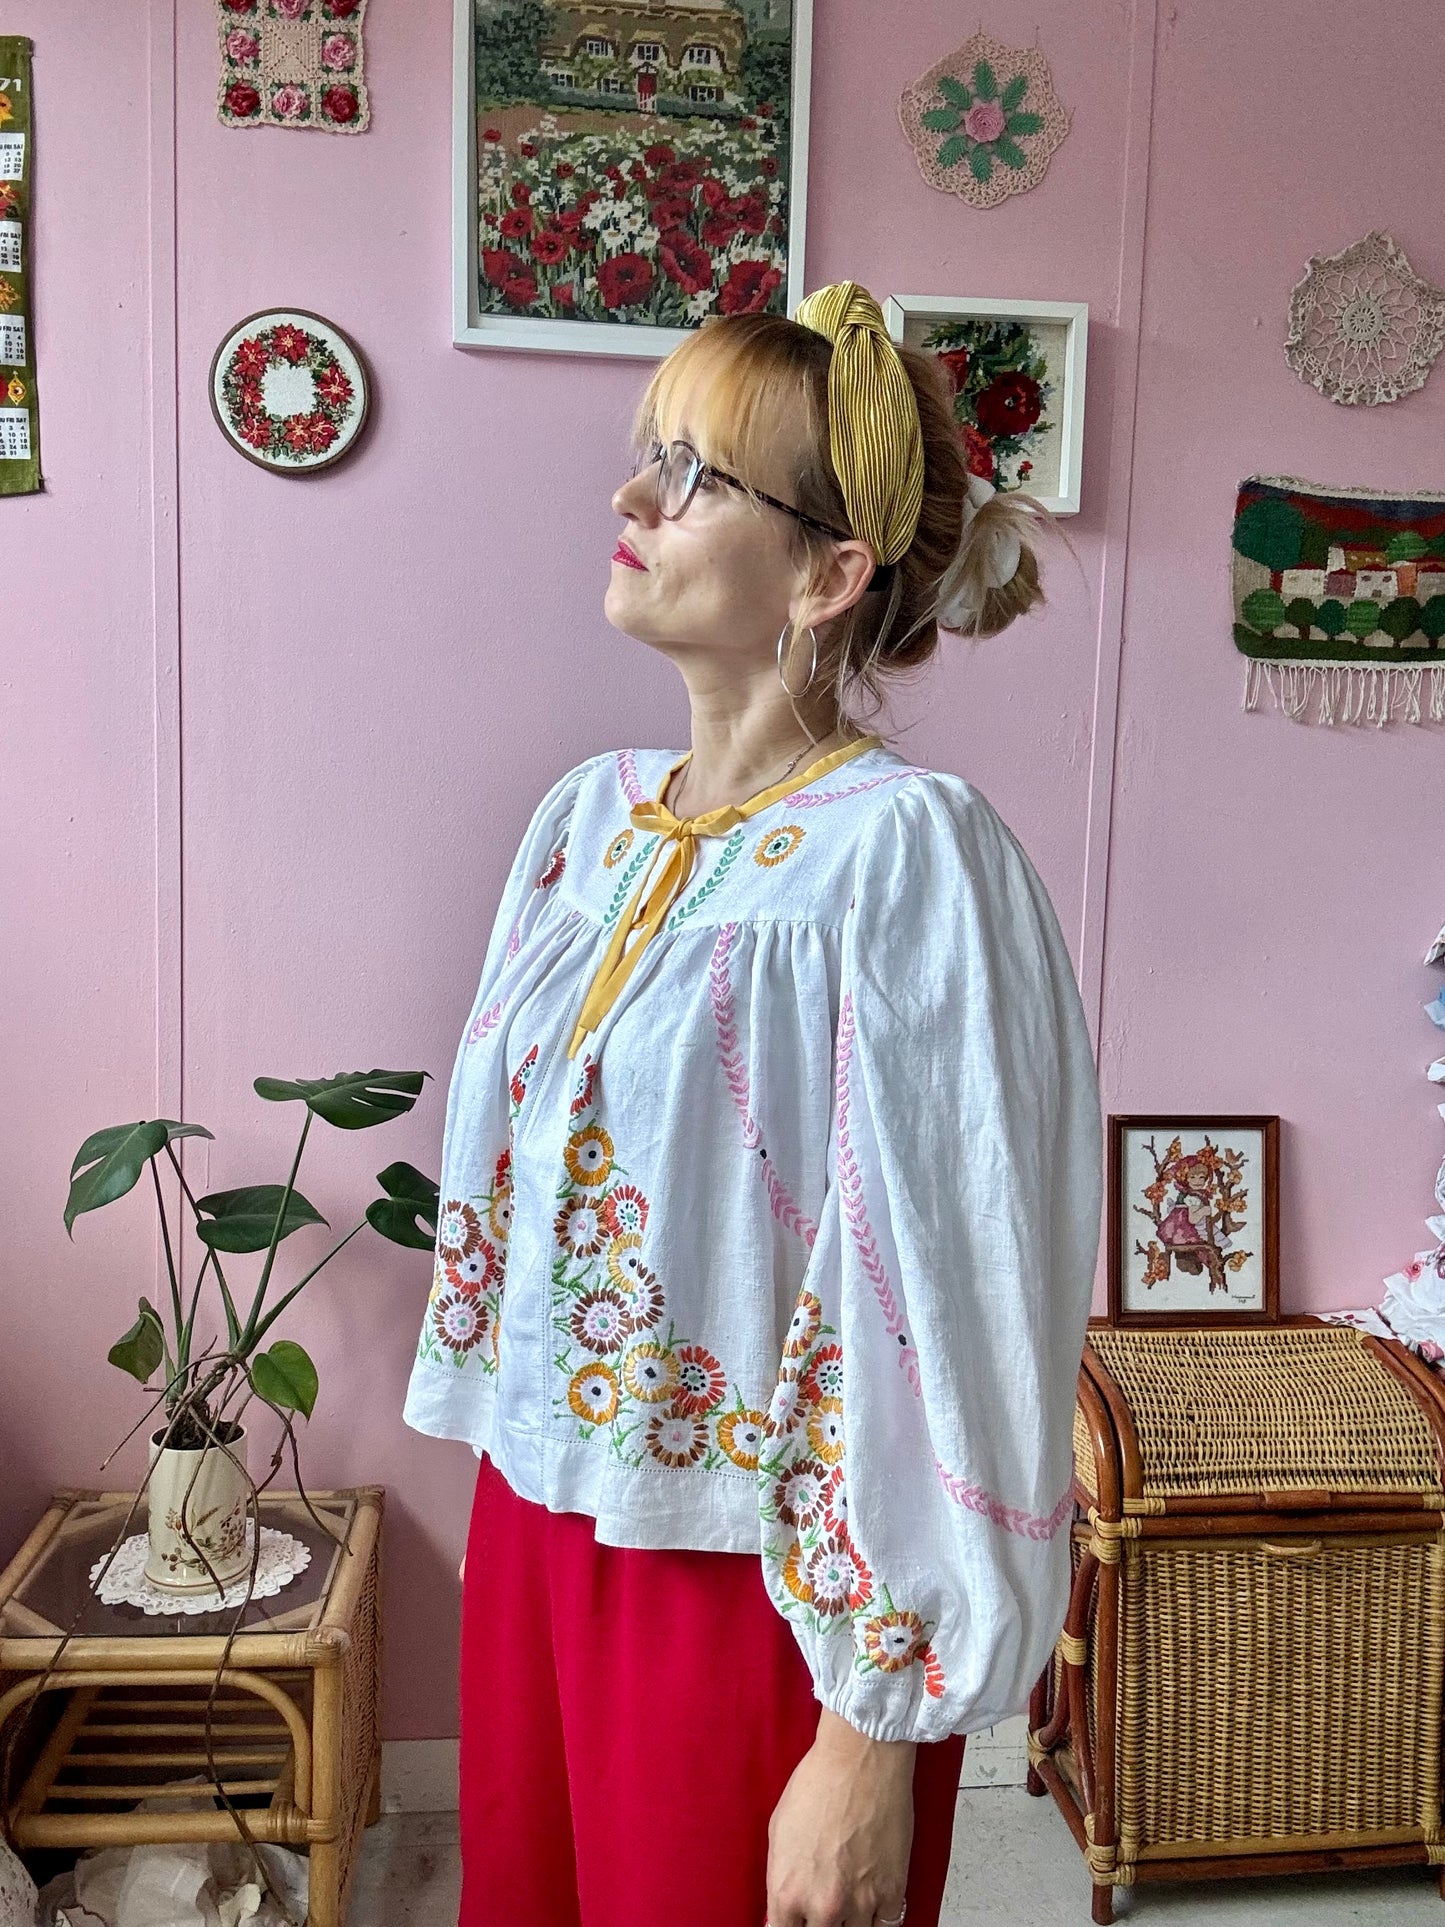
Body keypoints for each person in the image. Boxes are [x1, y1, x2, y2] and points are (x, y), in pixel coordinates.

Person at [403, 280, 1103, 1927]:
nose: (633, 500)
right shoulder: (586, 823)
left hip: (758, 1584)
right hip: (541, 1518)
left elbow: (966, 1296)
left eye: (697, 475)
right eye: (649, 455)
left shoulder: (909, 854)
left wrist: (868, 1727)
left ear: (826, 573)